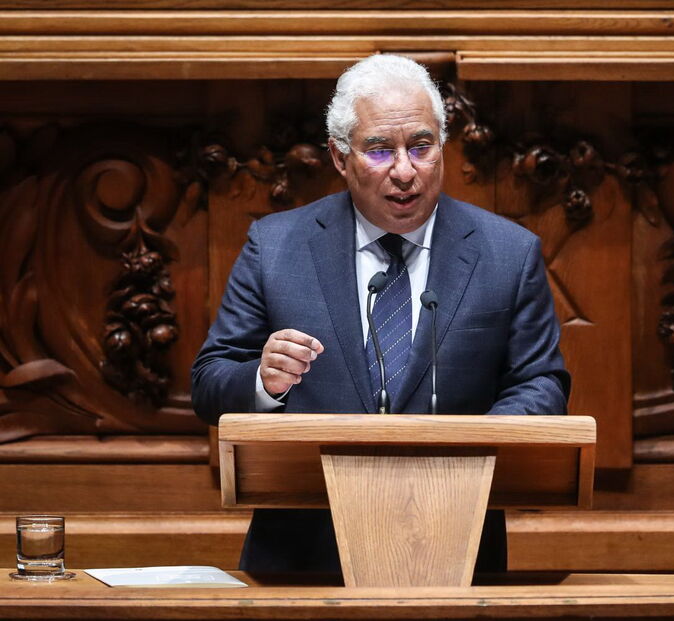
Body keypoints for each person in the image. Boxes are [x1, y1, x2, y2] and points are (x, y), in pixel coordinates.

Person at [191, 54, 570, 575]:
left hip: (457, 547)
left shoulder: (509, 252)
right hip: (303, 554)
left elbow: (542, 384)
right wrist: (263, 380)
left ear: (442, 145)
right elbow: (210, 383)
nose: (405, 171)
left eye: (421, 146)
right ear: (339, 157)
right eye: (379, 150)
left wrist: (469, 448)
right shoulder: (275, 247)